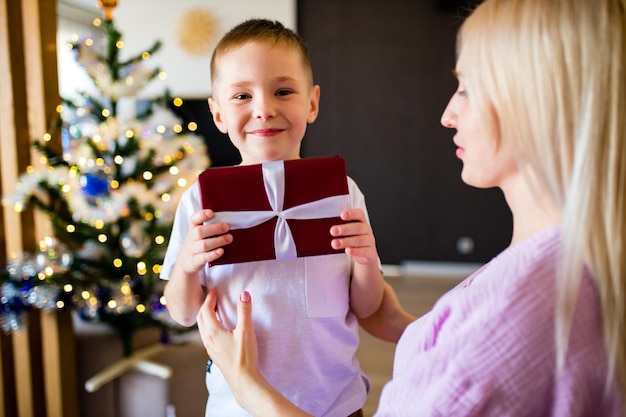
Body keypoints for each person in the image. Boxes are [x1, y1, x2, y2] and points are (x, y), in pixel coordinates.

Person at [194, 0, 626, 415]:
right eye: (241, 97)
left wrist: (251, 390)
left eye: (467, 89)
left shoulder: (514, 310)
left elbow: (480, 355)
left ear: (537, 105)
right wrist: (408, 325)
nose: (447, 114)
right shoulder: (582, 263)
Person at [160, 19, 385, 417]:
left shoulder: (342, 193)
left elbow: (365, 307)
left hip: (337, 402)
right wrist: (188, 264)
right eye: (242, 96)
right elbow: (180, 313)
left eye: (283, 91)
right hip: (238, 407)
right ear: (218, 115)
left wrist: (366, 261)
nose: (264, 109)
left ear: (312, 103)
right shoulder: (200, 202)